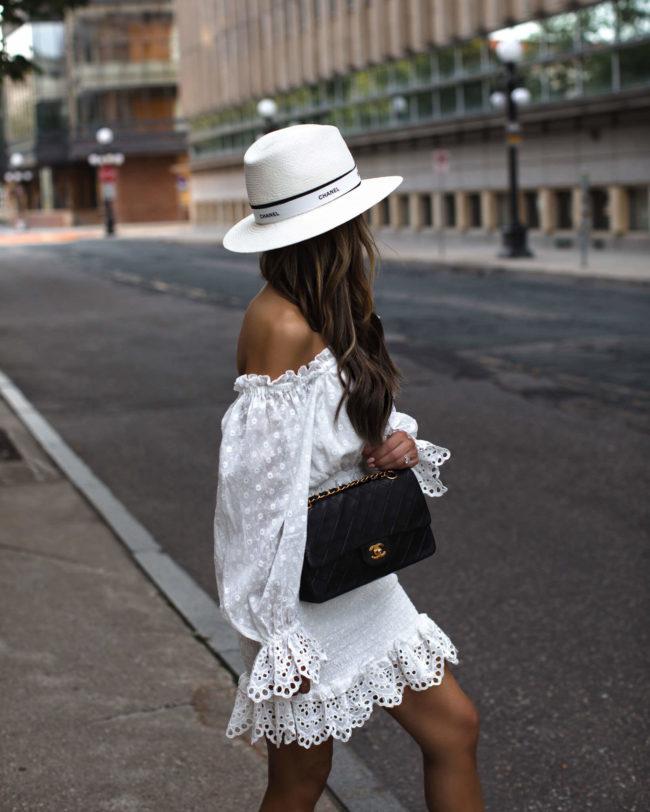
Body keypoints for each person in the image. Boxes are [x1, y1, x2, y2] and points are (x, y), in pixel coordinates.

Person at [213, 124, 483, 812]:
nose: (366, 223)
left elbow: (340, 418)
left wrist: (396, 441)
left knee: (454, 729)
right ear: (336, 225)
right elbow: (252, 500)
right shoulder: (280, 325)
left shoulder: (331, 305)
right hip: (301, 596)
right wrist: (276, 637)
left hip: (354, 576)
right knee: (299, 781)